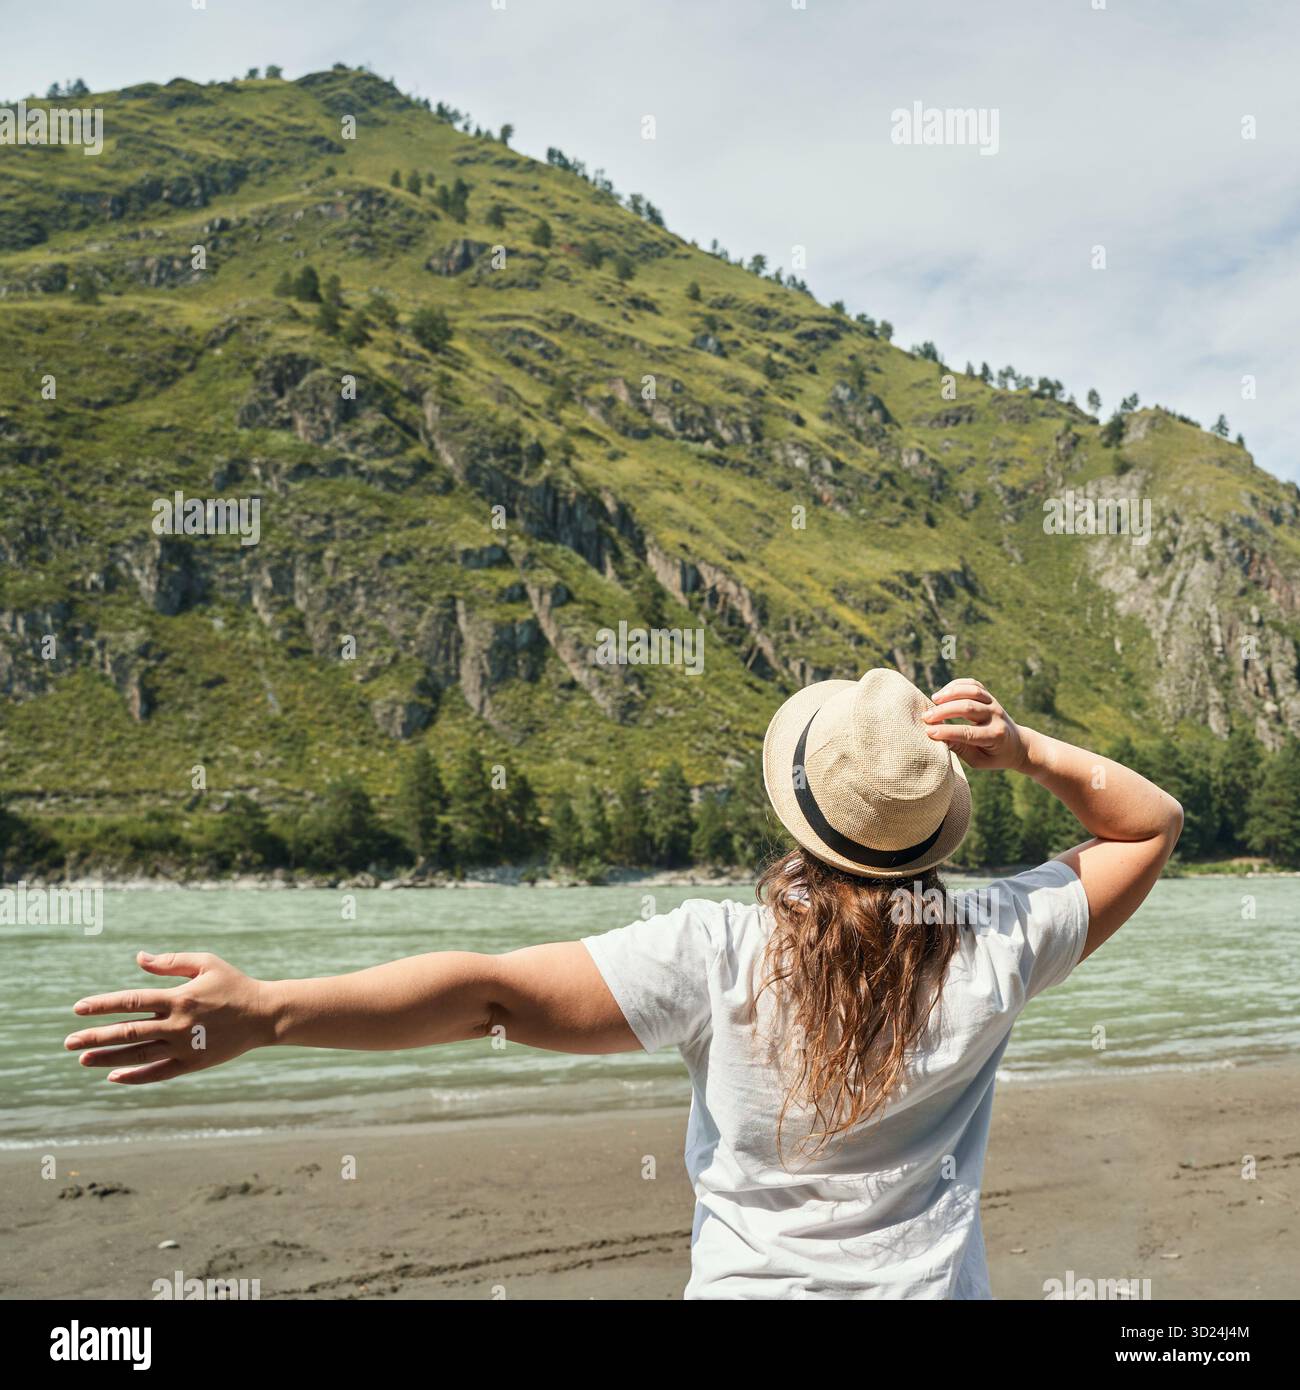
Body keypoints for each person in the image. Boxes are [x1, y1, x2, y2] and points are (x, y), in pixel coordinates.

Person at [64, 671, 1182, 1299]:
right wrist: (1029, 748)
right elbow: (1147, 821)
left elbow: (490, 993)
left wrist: (268, 1013)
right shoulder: (998, 933)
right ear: (932, 828)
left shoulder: (718, 949)